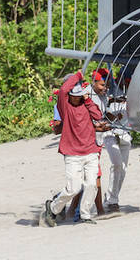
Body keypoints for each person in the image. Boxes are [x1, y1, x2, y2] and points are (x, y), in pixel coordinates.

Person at [44, 71, 107, 225]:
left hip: (90, 150)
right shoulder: (65, 106)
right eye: (74, 95)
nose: (76, 97)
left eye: (80, 94)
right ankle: (52, 209)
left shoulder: (87, 104)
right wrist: (78, 75)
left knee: (92, 185)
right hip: (72, 153)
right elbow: (64, 90)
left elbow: (98, 116)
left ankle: (85, 215)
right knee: (74, 188)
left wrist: (87, 100)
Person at [93, 68, 131, 212]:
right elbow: (102, 113)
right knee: (117, 164)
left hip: (125, 132)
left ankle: (112, 198)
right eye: (121, 78)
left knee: (123, 169)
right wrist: (112, 116)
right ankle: (113, 201)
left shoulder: (130, 92)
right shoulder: (105, 92)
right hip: (109, 133)